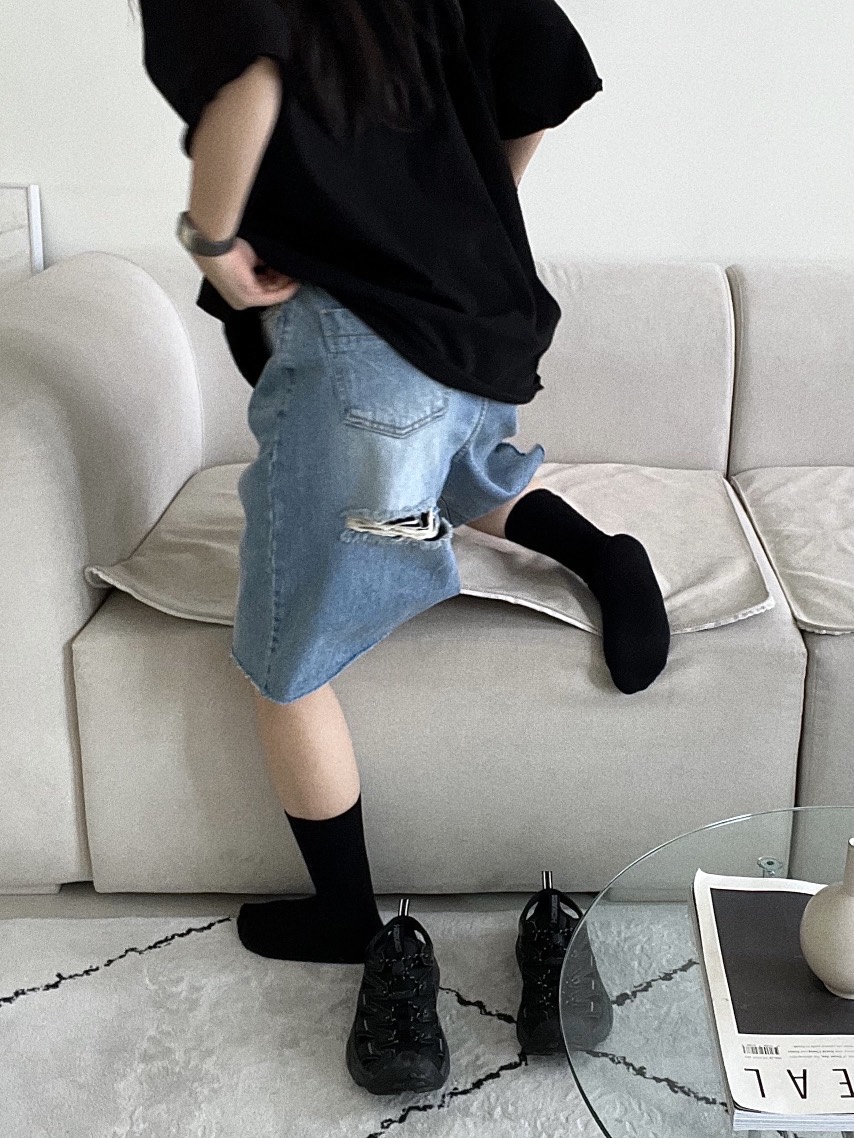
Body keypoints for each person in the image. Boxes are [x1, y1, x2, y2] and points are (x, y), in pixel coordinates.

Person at [136, 0, 668, 1092]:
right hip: (473, 311)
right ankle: (605, 555)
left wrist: (210, 241)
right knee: (453, 465)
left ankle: (344, 913)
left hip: (362, 343)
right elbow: (541, 62)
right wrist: (460, 219)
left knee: (287, 656)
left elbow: (255, 75)